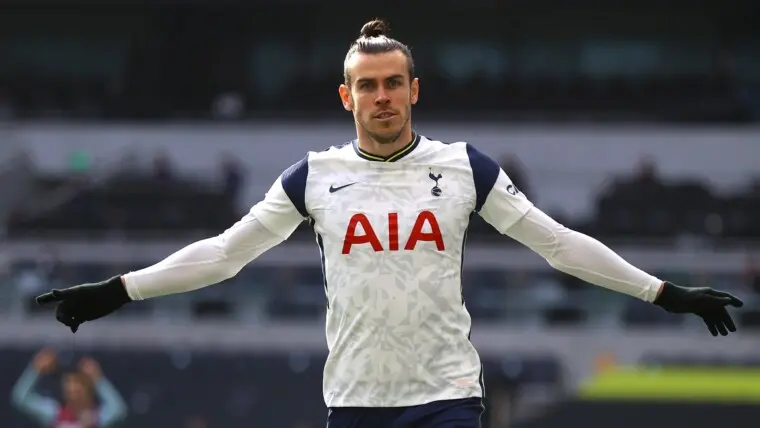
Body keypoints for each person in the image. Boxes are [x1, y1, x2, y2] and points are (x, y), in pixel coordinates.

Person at [35, 19, 743, 428]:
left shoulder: (464, 167)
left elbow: (556, 244)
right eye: (367, 85)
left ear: (414, 90)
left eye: (393, 83)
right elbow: (225, 255)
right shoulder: (313, 176)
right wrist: (119, 291)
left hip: (446, 396)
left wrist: (663, 293)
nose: (382, 96)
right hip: (355, 400)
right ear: (347, 97)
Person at [11, 348, 128, 428]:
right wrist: (35, 370)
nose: (72, 388)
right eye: (68, 382)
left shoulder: (97, 417)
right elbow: (20, 398)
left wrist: (98, 379)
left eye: (77, 382)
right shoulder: (54, 414)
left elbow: (118, 410)